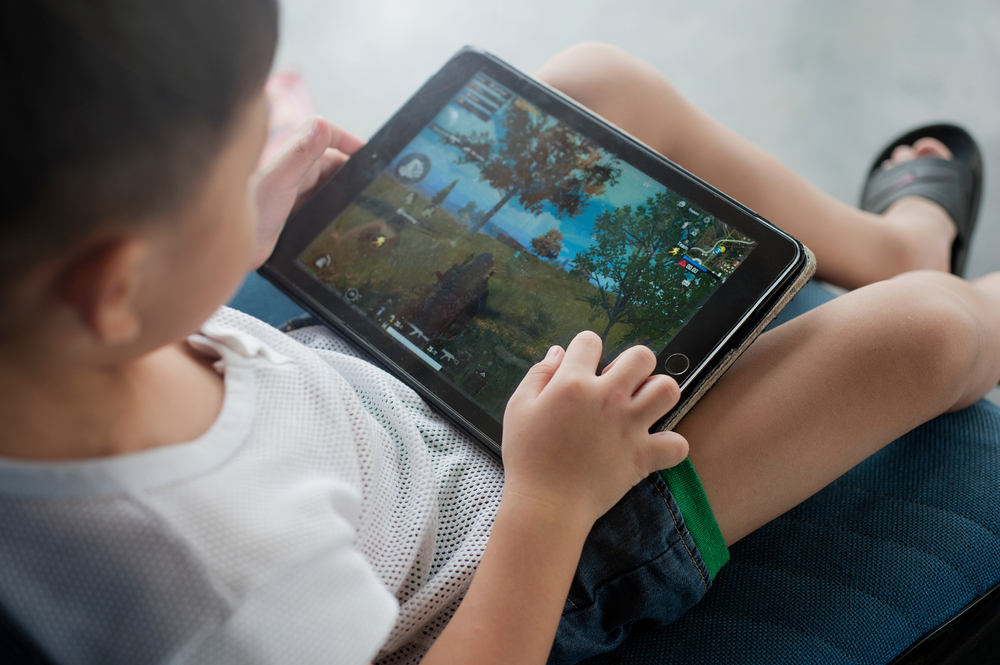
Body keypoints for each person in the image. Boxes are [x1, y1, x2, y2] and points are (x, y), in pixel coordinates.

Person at [0, 2, 996, 664]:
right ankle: (936, 285)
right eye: (234, 157)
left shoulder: (47, 342)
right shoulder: (229, 585)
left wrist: (234, 235)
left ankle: (893, 247)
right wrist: (552, 499)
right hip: (520, 552)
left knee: (595, 83)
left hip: (371, 384)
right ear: (117, 283)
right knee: (920, 334)